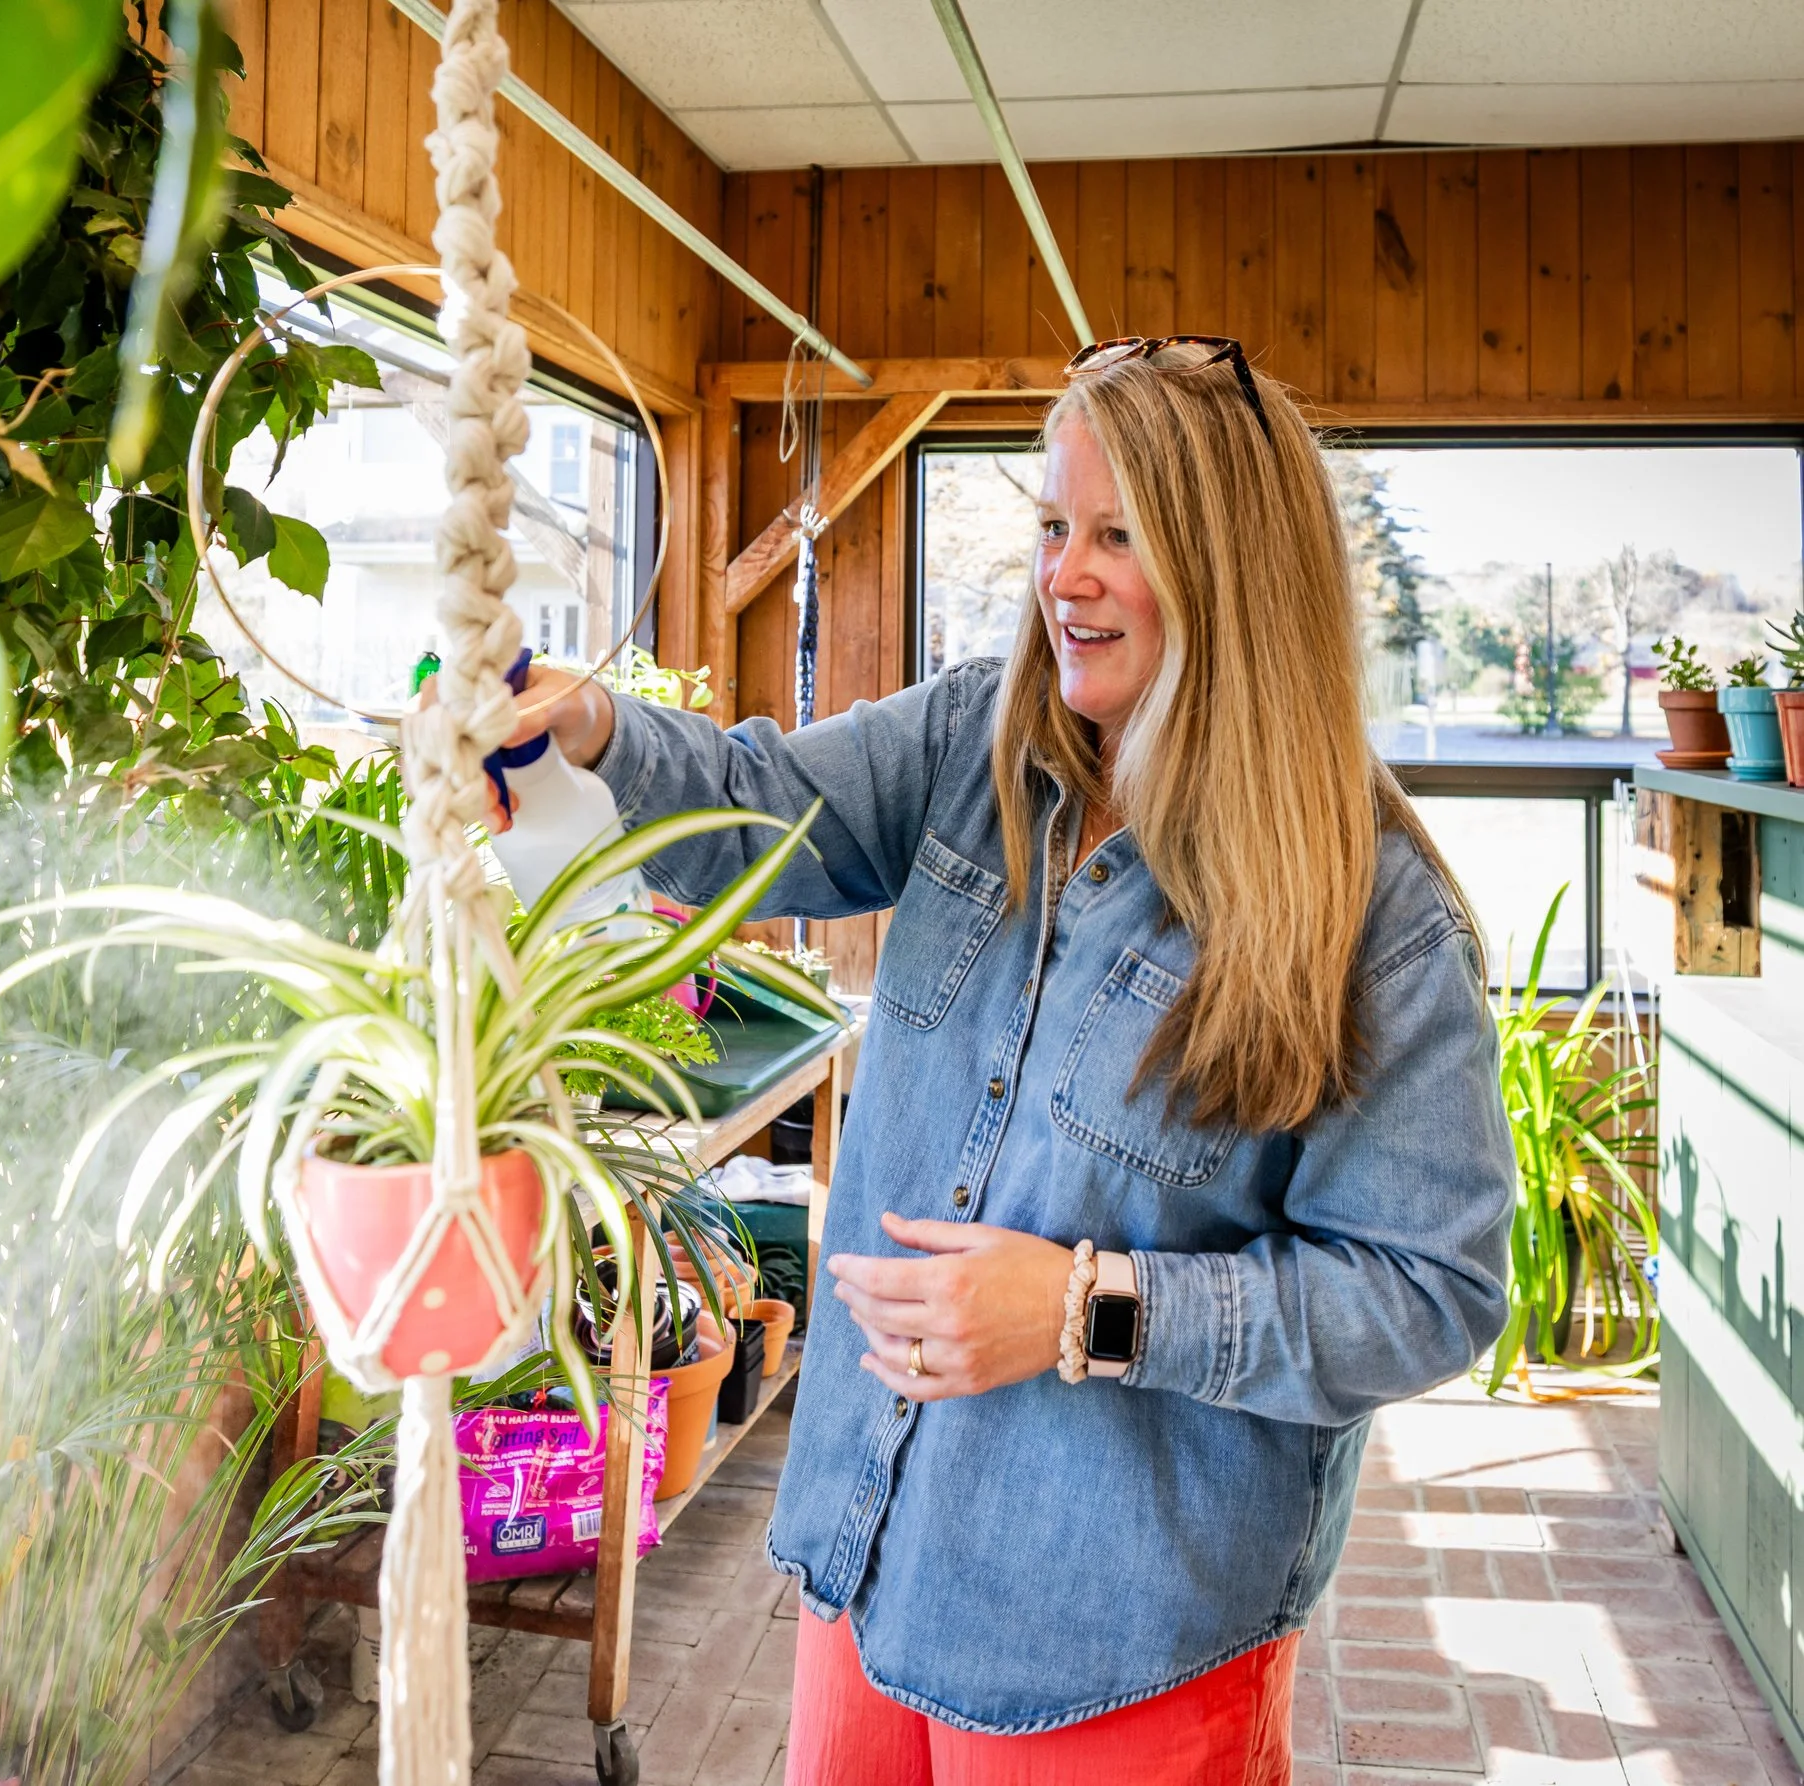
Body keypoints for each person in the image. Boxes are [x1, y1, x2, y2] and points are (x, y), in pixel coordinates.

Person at [490, 337, 1513, 1785]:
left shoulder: (1374, 910)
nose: (1063, 574)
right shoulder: (976, 733)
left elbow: (1431, 1289)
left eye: (1116, 534)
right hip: (874, 1555)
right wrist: (587, 728)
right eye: (1051, 527)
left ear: (1233, 566)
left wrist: (1091, 1310)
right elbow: (759, 802)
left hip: (1120, 1640)